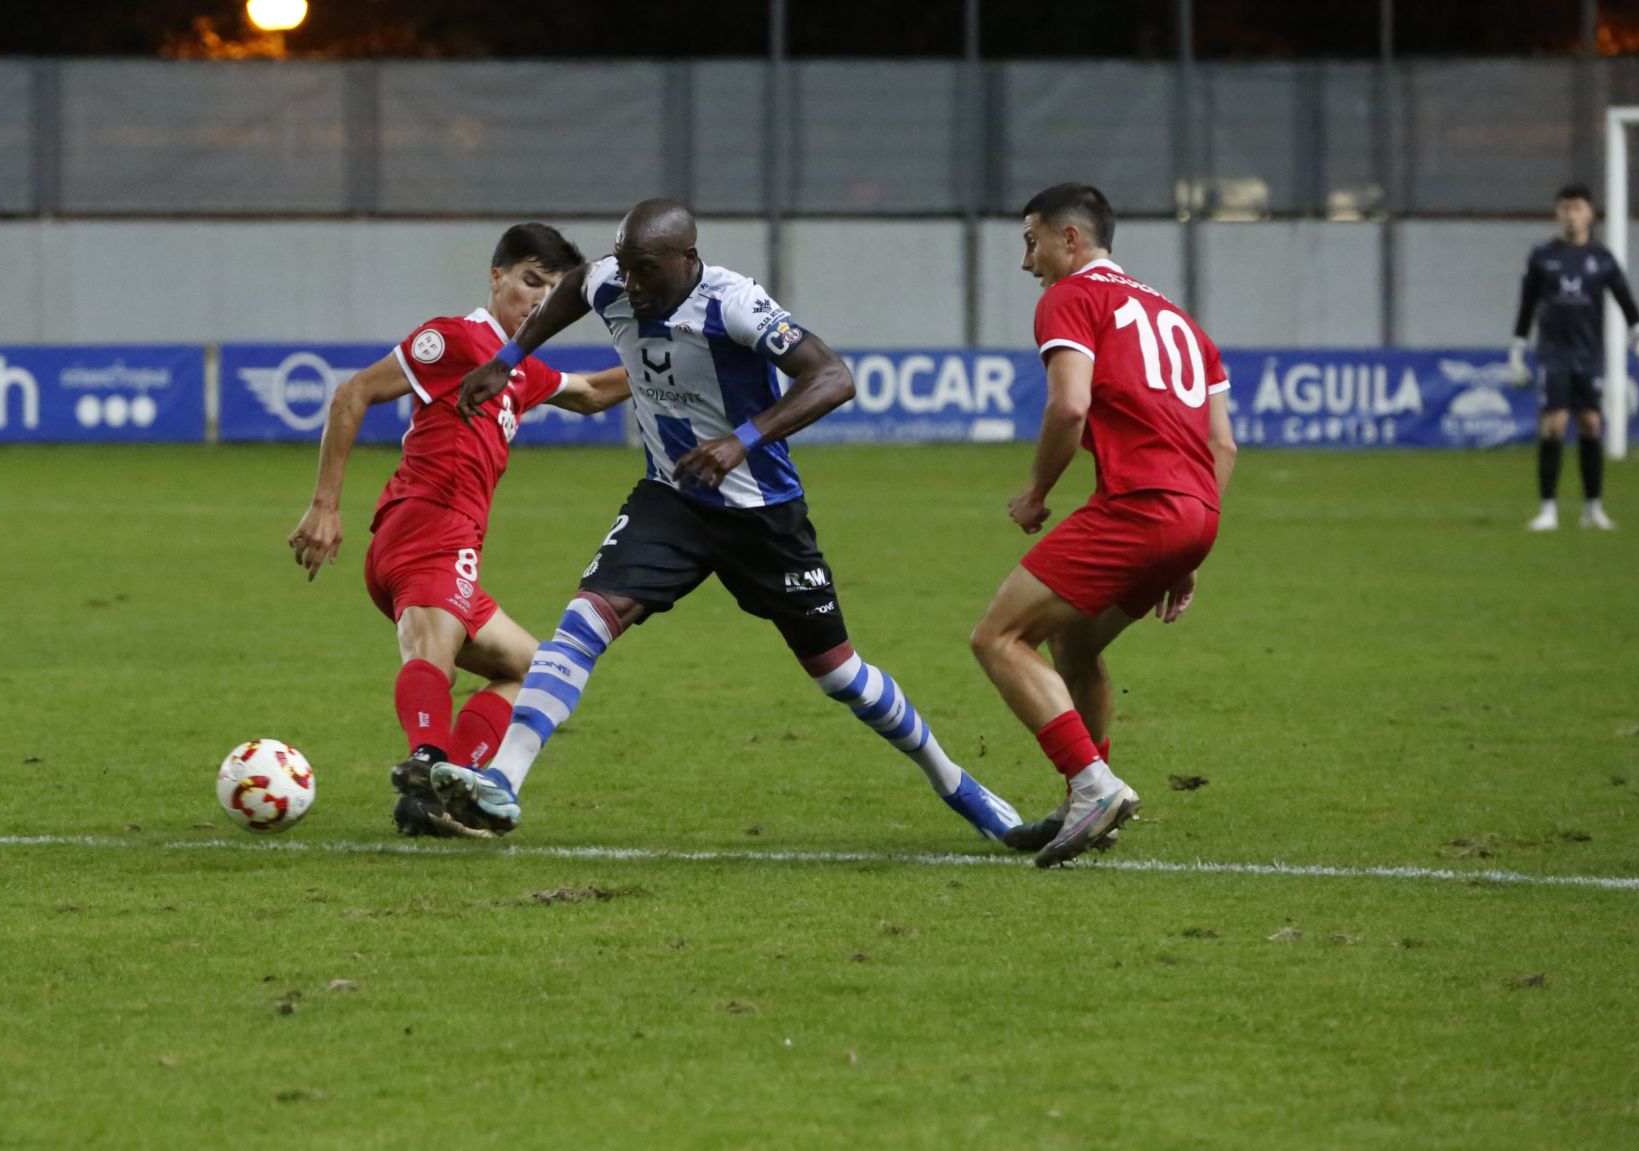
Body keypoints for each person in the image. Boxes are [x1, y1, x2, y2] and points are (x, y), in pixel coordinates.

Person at [429, 198, 1025, 843]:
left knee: (840, 675)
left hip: (762, 515)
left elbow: (832, 376)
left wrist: (744, 439)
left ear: (688, 261)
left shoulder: (732, 303)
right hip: (673, 498)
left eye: (646, 271)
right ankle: (505, 782)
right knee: (584, 621)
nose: (630, 284)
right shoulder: (612, 279)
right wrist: (510, 355)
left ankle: (956, 784)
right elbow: (577, 285)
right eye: (625, 268)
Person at [285, 223, 630, 838]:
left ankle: (440, 793)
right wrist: (326, 505)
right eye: (529, 282)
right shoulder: (454, 339)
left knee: (532, 669)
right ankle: (426, 760)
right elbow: (353, 392)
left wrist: (676, 360)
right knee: (434, 658)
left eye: (553, 294)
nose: (537, 301)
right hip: (425, 526)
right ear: (496, 277)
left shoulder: (518, 371)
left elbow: (592, 393)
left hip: (452, 544)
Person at [969, 182, 1237, 869]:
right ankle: (1083, 803)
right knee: (1075, 644)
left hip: (1141, 504)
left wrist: (1035, 493)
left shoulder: (1073, 298)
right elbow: (1224, 445)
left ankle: (1094, 784)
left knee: (999, 637)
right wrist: (1191, 543)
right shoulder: (1182, 320)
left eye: (1031, 242)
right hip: (1194, 512)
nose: (1026, 262)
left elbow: (1068, 407)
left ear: (1071, 238)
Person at [1509, 183, 1639, 532]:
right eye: (1565, 208)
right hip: (1553, 353)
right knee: (1554, 425)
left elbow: (1625, 301)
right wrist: (1516, 351)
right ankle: (1548, 509)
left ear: (1590, 213)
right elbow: (1527, 306)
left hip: (1589, 354)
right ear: (1557, 213)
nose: (1571, 214)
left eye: (1577, 208)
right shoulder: (1542, 256)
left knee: (1591, 423)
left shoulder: (1602, 259)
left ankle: (1593, 508)